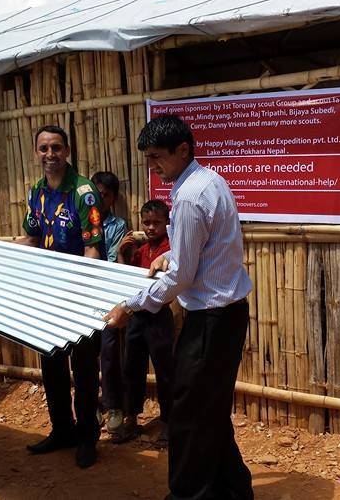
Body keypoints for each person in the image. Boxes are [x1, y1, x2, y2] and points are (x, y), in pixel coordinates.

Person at [104, 116, 254, 499]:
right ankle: (234, 490)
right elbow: (206, 246)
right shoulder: (210, 181)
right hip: (228, 315)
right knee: (211, 407)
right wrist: (170, 254)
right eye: (148, 158)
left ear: (182, 150)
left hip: (210, 320)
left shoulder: (189, 196)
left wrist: (131, 306)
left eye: (157, 157)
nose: (153, 166)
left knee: (188, 413)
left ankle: (187, 494)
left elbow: (182, 278)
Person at [21, 124, 105, 469]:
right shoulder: (37, 192)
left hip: (80, 293)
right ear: (36, 153)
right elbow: (31, 237)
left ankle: (87, 437)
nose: (50, 155)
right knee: (52, 365)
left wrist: (84, 299)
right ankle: (62, 431)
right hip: (48, 294)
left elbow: (93, 249)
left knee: (84, 371)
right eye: (44, 149)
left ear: (67, 151)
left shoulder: (83, 192)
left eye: (56, 148)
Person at [111, 199, 175, 445]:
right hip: (137, 318)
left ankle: (169, 422)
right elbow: (127, 282)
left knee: (165, 371)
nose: (150, 228)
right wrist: (119, 254)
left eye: (156, 223)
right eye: (146, 222)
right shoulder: (140, 251)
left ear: (166, 223)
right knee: (132, 368)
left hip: (159, 317)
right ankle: (131, 419)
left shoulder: (169, 249)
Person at [90, 171, 129, 435]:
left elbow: (113, 262)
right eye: (97, 194)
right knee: (83, 352)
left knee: (109, 349)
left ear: (113, 199)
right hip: (82, 293)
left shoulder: (117, 226)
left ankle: (113, 405)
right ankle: (89, 404)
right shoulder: (79, 220)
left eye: (105, 195)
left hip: (106, 295)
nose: (100, 199)